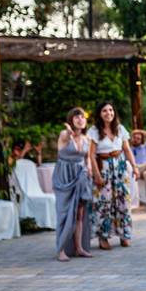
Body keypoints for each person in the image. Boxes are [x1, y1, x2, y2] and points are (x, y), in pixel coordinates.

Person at [88, 101, 137, 249]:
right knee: (104, 203)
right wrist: (96, 175)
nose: (108, 113)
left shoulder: (120, 129)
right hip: (104, 168)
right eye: (104, 111)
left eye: (110, 110)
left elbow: (127, 150)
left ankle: (124, 234)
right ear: (99, 114)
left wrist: (134, 167)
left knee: (123, 201)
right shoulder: (94, 131)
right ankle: (103, 237)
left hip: (120, 167)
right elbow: (91, 155)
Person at [51, 109, 93, 261]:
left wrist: (89, 167)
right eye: (77, 117)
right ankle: (61, 249)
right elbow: (66, 137)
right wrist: (69, 132)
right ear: (71, 119)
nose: (80, 119)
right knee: (64, 212)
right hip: (64, 175)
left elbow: (87, 156)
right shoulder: (64, 134)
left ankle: (79, 247)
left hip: (80, 175)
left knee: (79, 213)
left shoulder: (86, 138)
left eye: (83, 117)